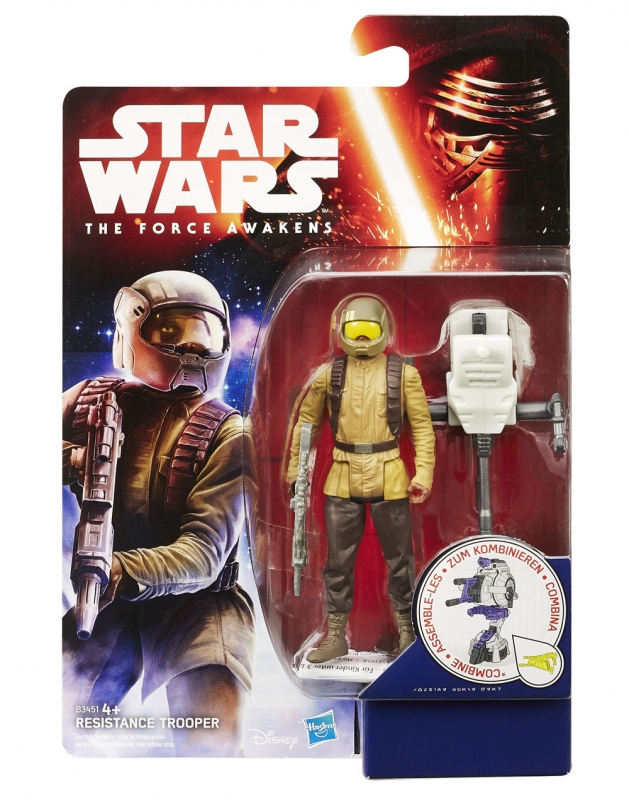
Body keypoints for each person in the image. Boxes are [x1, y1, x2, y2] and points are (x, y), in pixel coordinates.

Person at [62, 271, 255, 756]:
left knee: (209, 746)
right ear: (133, 328)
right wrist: (73, 458)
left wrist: (120, 569)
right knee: (56, 719)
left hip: (200, 606)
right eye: (171, 331)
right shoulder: (91, 403)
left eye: (202, 333)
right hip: (105, 597)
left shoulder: (229, 434)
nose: (190, 348)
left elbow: (202, 554)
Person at [287, 296, 435, 663]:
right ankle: (336, 636)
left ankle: (407, 633)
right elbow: (306, 424)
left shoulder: (404, 374)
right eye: (356, 330)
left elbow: (421, 427)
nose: (363, 338)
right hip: (342, 473)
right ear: (343, 332)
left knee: (400, 560)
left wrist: (424, 473)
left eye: (370, 330)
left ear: (383, 330)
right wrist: (296, 472)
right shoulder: (328, 375)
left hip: (389, 473)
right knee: (337, 563)